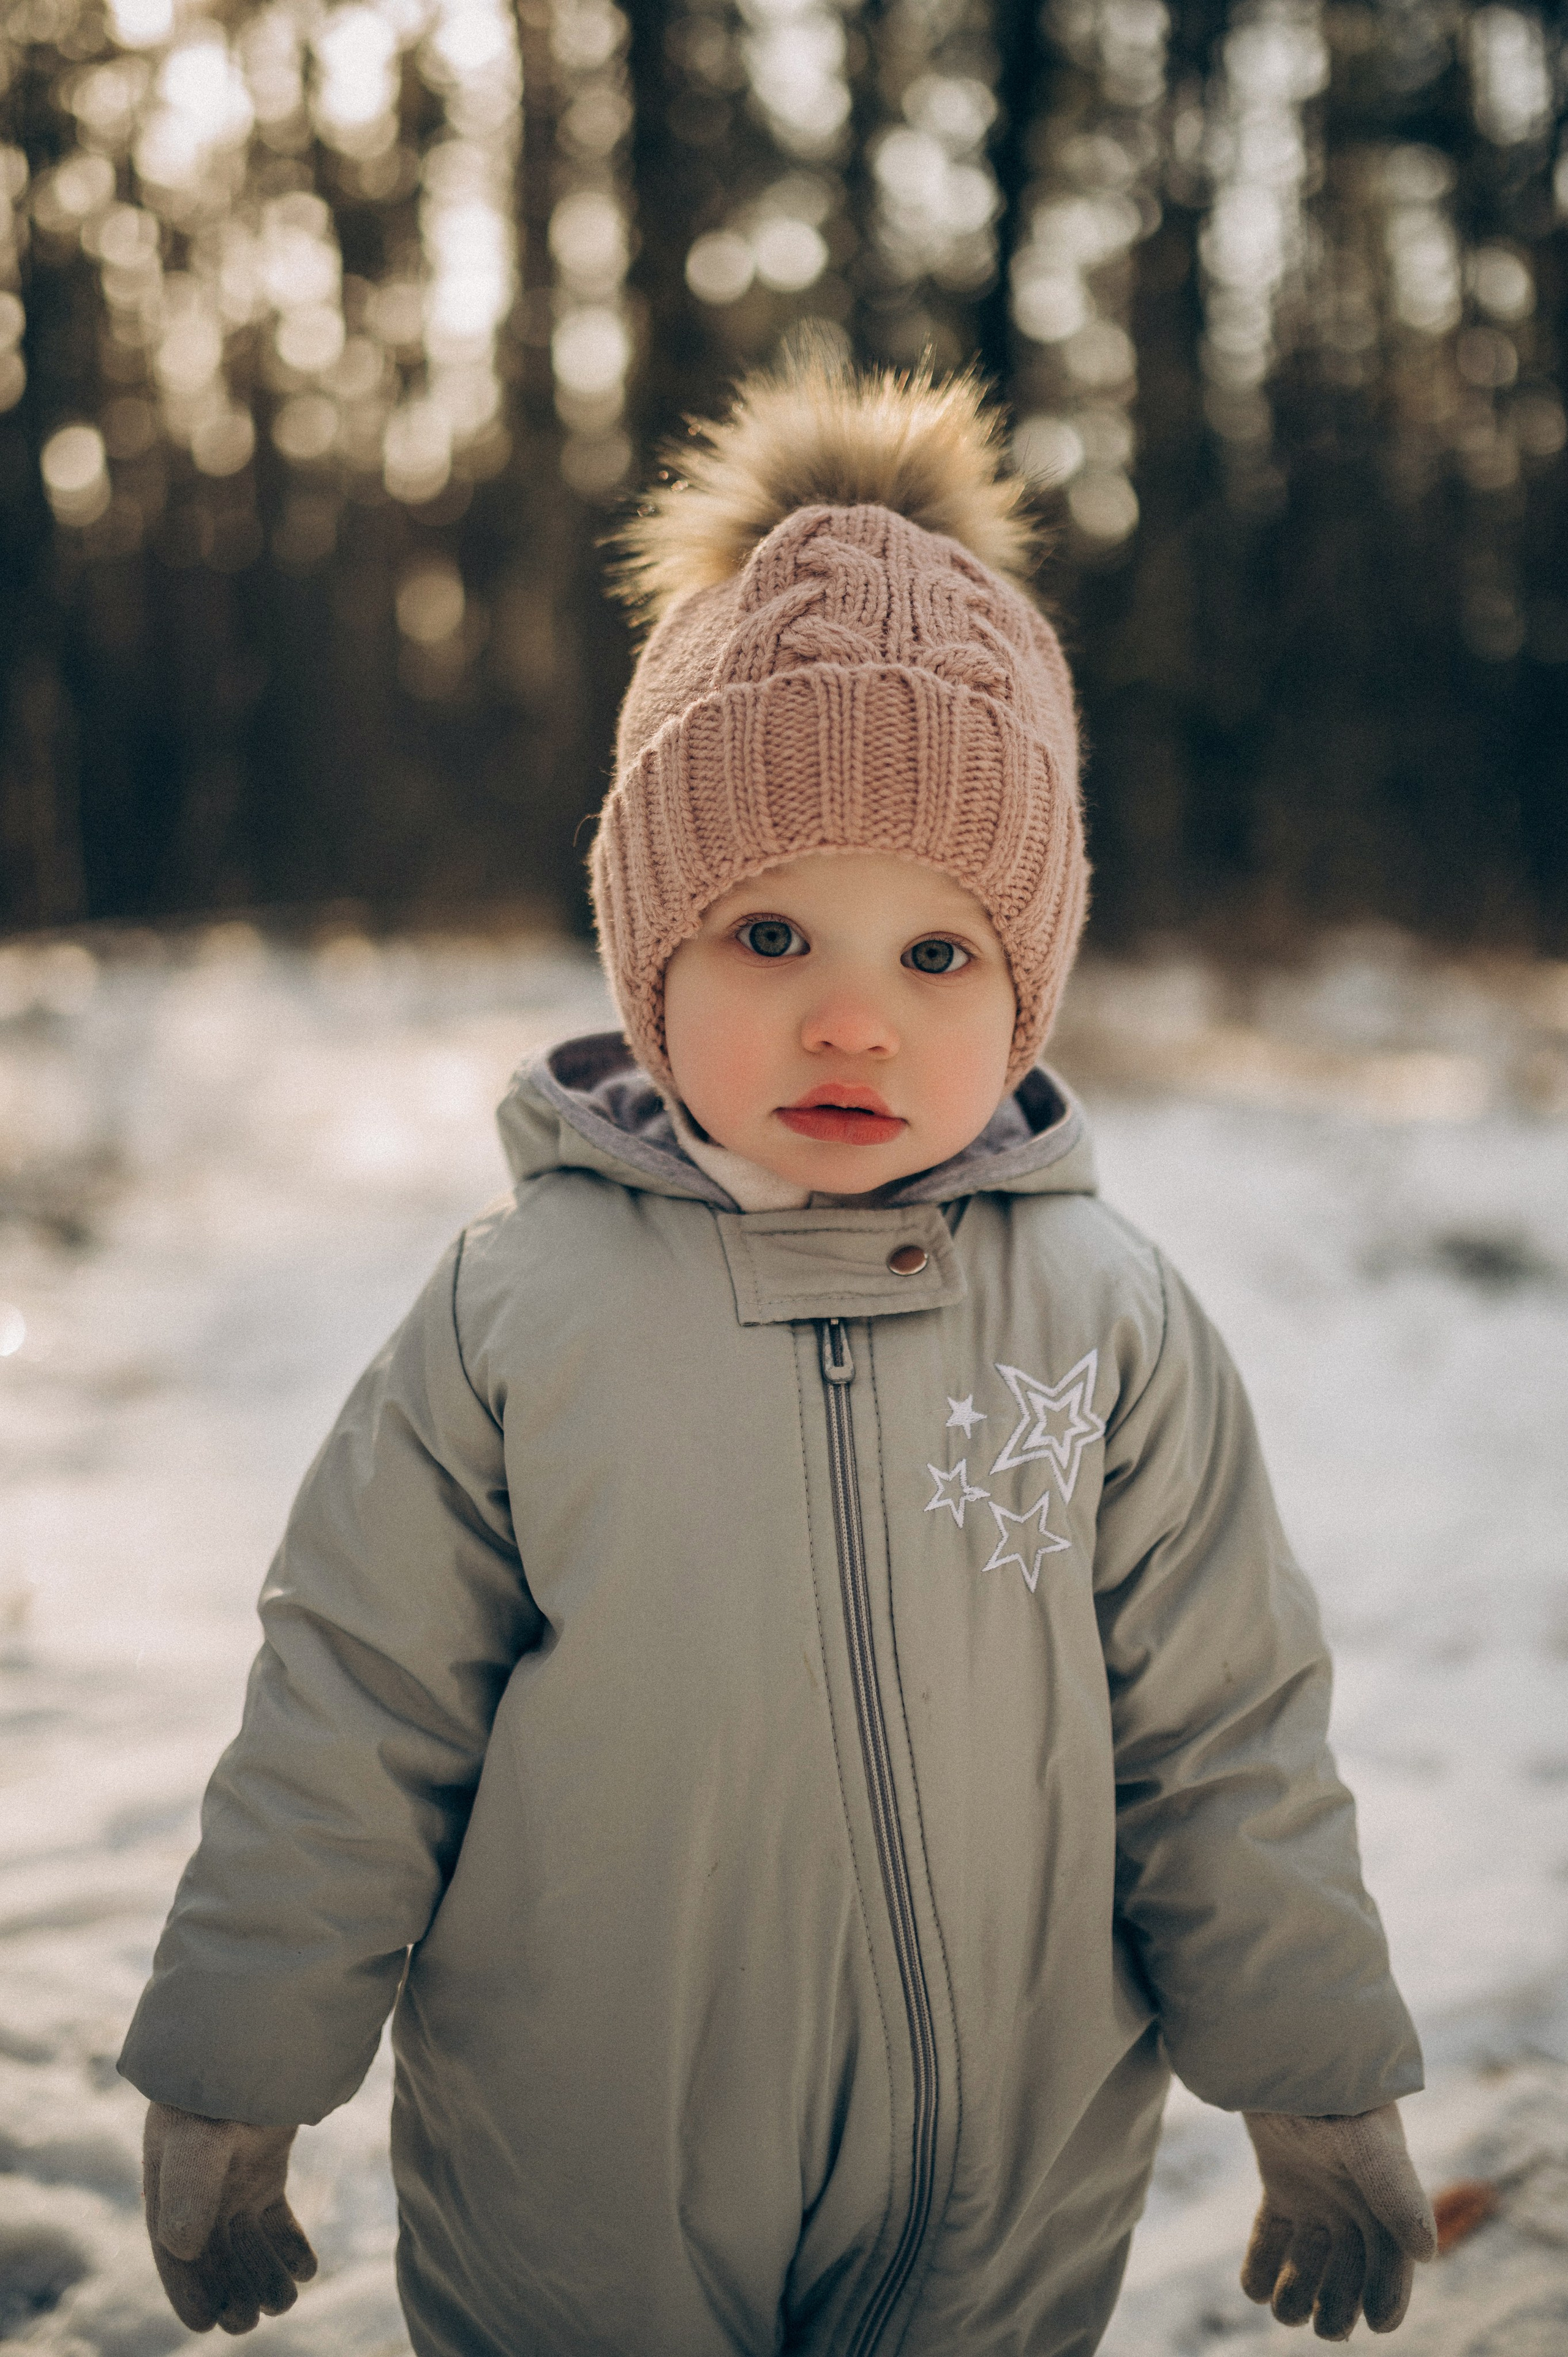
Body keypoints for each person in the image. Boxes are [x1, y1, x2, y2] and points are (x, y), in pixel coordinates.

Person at [121, 355, 1437, 2354]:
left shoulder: (1112, 1323)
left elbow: (1225, 1734)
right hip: (586, 2178)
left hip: (1006, 2185)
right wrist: (237, 2067)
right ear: (646, 950)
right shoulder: (515, 1313)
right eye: (767, 940)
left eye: (936, 956)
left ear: (1029, 986)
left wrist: (1318, 2084)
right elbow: (356, 1707)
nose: (852, 1025)